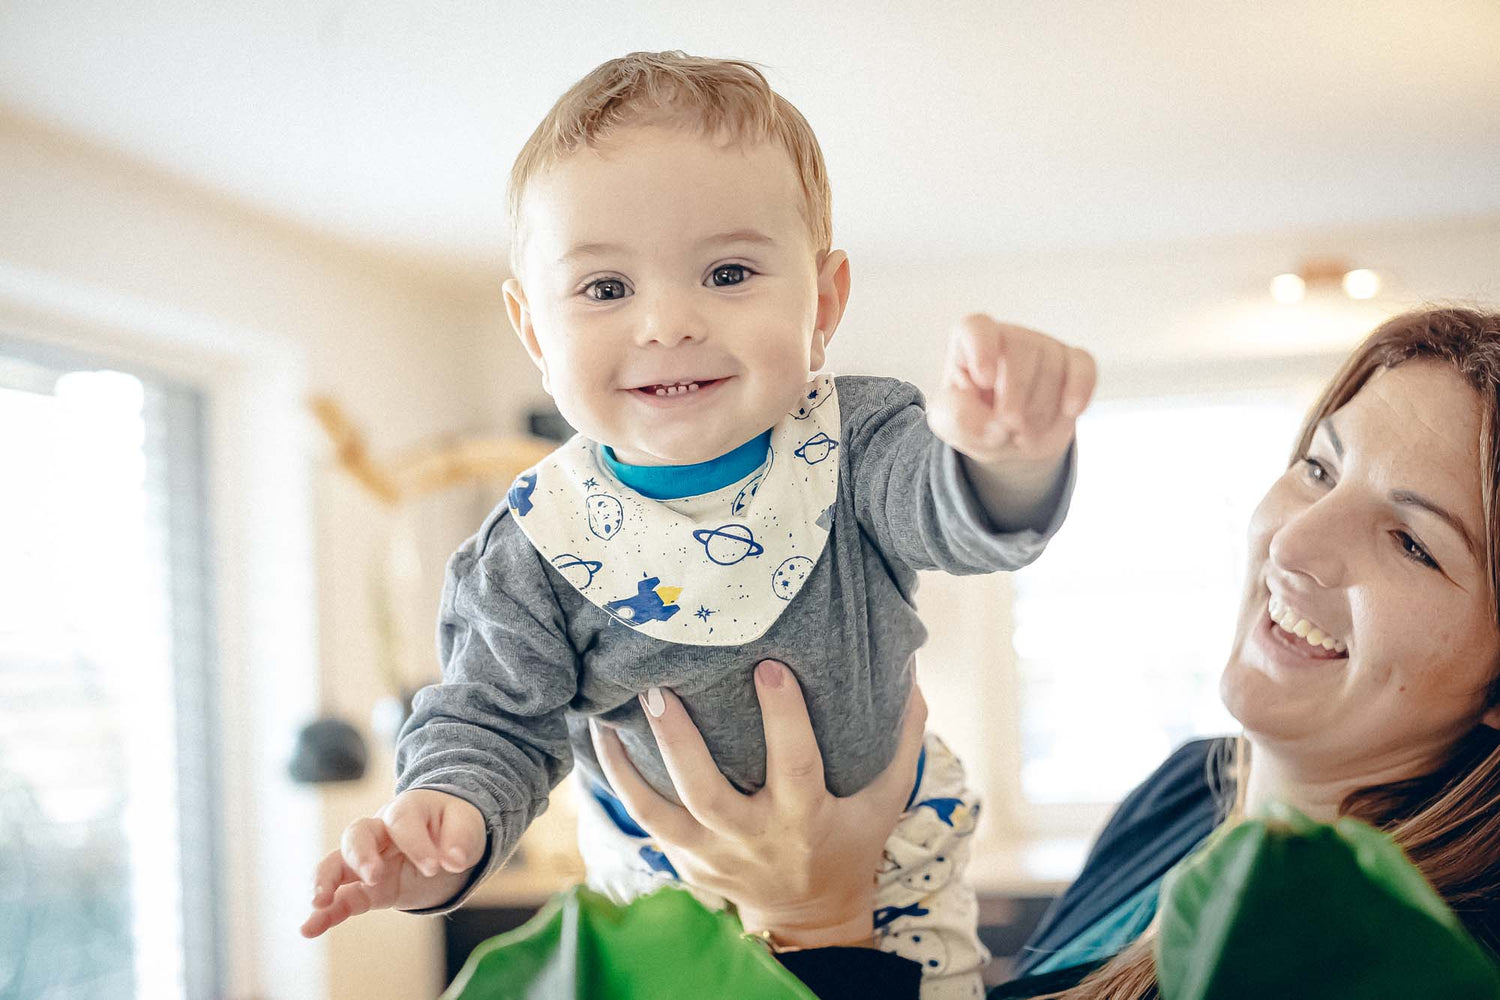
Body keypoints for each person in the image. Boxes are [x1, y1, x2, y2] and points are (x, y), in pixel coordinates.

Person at [301, 50, 1097, 998]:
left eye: (727, 272)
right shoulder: (528, 547)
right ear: (532, 331)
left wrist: (1007, 457)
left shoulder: (856, 445)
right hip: (658, 900)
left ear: (825, 302)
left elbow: (951, 512)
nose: (667, 323)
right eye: (605, 289)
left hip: (893, 883)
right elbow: (493, 722)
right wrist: (442, 819)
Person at [593, 307, 1500, 998]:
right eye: (1319, 469)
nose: (1296, 547)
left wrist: (816, 923)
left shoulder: (1411, 956)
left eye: (1413, 543)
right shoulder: (1190, 793)